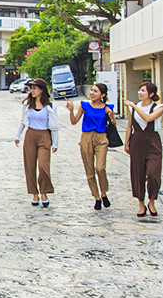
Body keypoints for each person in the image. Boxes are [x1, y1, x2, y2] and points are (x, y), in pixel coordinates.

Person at [66, 83, 116, 210]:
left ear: (103, 95)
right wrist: (71, 110)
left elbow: (113, 123)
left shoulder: (107, 107)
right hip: (86, 137)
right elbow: (73, 121)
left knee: (100, 168)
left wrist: (110, 114)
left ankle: (104, 192)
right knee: (89, 170)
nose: (92, 93)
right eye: (92, 90)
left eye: (96, 91)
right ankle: (97, 197)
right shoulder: (85, 105)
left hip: (102, 137)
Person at [124, 82, 163, 217]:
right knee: (138, 173)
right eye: (139, 90)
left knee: (153, 172)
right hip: (137, 140)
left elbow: (148, 118)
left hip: (152, 140)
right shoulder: (133, 108)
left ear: (151, 94)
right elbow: (130, 126)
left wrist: (134, 106)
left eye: (143, 90)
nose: (139, 93)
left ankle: (152, 200)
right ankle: (141, 203)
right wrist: (126, 142)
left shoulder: (159, 107)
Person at [15, 78, 59, 207]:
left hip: (44, 136)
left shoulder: (50, 106)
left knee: (43, 166)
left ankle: (44, 192)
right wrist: (18, 135)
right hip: (30, 135)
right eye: (31, 88)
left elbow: (54, 125)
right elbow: (23, 121)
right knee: (30, 166)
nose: (32, 91)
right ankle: (34, 193)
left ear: (42, 90)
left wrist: (55, 143)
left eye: (34, 88)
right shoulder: (27, 104)